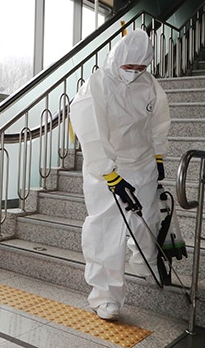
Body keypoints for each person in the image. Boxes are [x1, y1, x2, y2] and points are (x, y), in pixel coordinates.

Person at [70, 29, 171, 321]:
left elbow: (158, 123)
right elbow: (91, 132)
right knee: (105, 231)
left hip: (142, 163)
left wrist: (159, 155)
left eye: (140, 68)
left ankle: (144, 259)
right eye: (129, 67)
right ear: (118, 60)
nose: (134, 73)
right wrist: (108, 172)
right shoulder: (97, 84)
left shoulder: (150, 85)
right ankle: (105, 297)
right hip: (108, 167)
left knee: (147, 216)